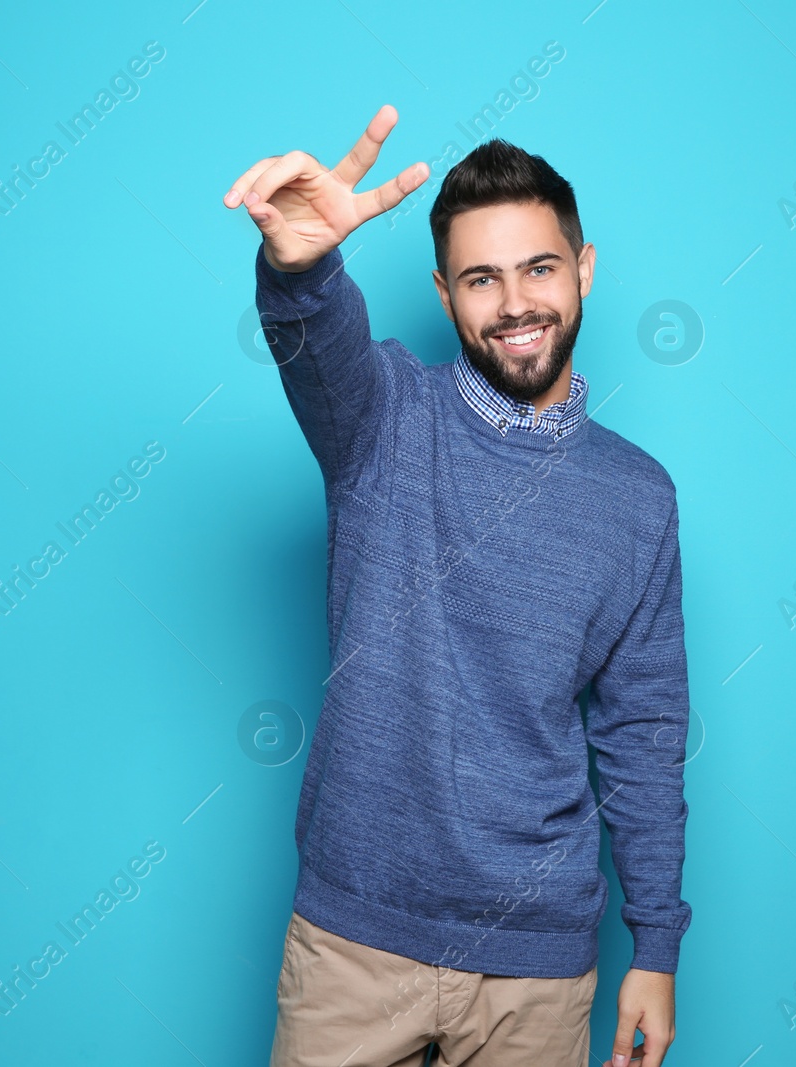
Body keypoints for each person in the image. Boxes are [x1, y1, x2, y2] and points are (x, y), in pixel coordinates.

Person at [224, 105, 691, 1067]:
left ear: (584, 269)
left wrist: (656, 944)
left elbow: (643, 735)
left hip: (538, 971)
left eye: (539, 268)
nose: (516, 302)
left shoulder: (639, 498)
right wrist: (302, 268)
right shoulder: (384, 417)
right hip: (354, 947)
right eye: (483, 278)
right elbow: (320, 350)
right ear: (444, 295)